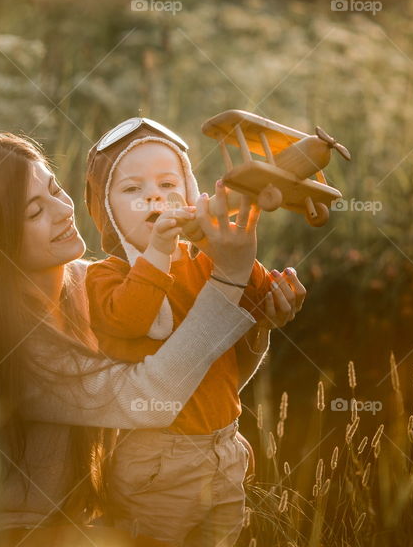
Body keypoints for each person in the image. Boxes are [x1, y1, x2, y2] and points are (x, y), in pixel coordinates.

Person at [0, 130, 305, 547]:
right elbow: (152, 400)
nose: (63, 210)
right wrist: (229, 278)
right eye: (34, 211)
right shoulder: (12, 344)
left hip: (82, 528)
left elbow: (192, 383)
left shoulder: (96, 284)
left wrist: (257, 322)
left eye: (55, 189)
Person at [84, 118, 300, 546]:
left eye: (169, 184)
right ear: (105, 211)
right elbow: (132, 318)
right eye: (131, 189)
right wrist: (160, 251)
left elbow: (251, 299)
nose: (154, 196)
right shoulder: (105, 276)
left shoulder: (205, 261)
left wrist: (279, 297)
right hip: (157, 458)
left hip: (225, 447)